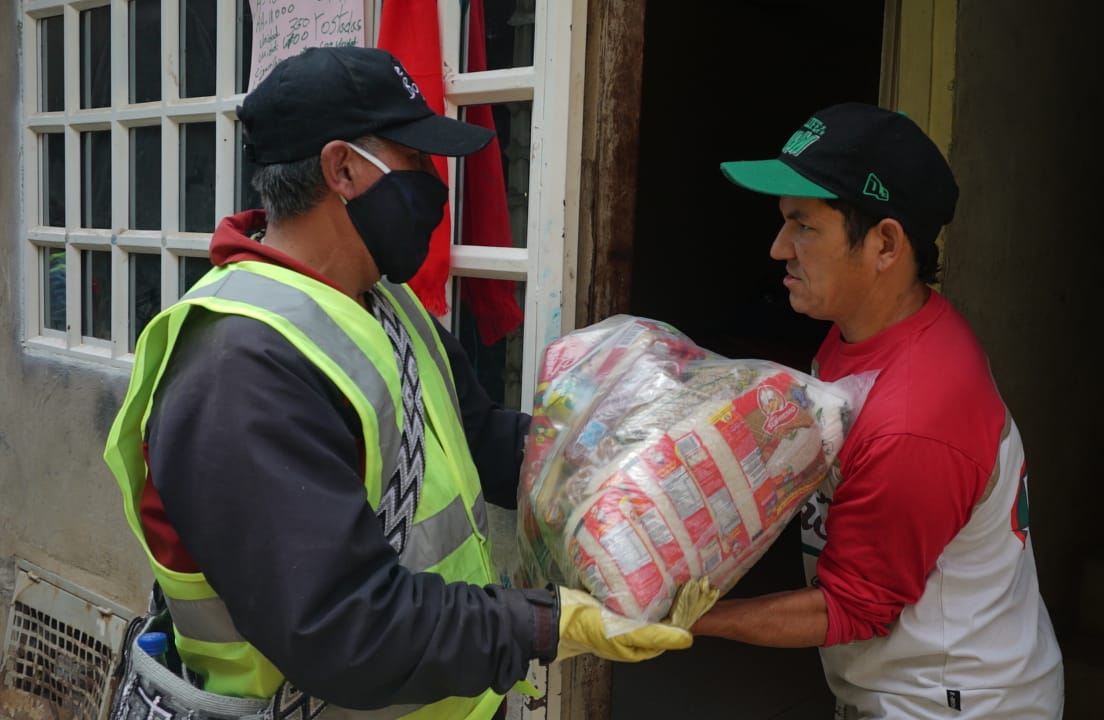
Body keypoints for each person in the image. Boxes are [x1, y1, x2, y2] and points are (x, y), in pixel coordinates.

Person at [102, 46, 690, 720]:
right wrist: (542, 623)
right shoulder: (239, 371)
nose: (434, 185)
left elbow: (475, 436)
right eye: (414, 161)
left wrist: (627, 462)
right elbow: (344, 627)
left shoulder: (383, 303)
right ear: (343, 169)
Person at [694, 103, 1065, 718]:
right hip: (906, 683)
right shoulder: (858, 332)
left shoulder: (918, 416)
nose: (778, 247)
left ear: (885, 244)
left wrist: (692, 622)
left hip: (955, 704)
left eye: (803, 226)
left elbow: (851, 606)